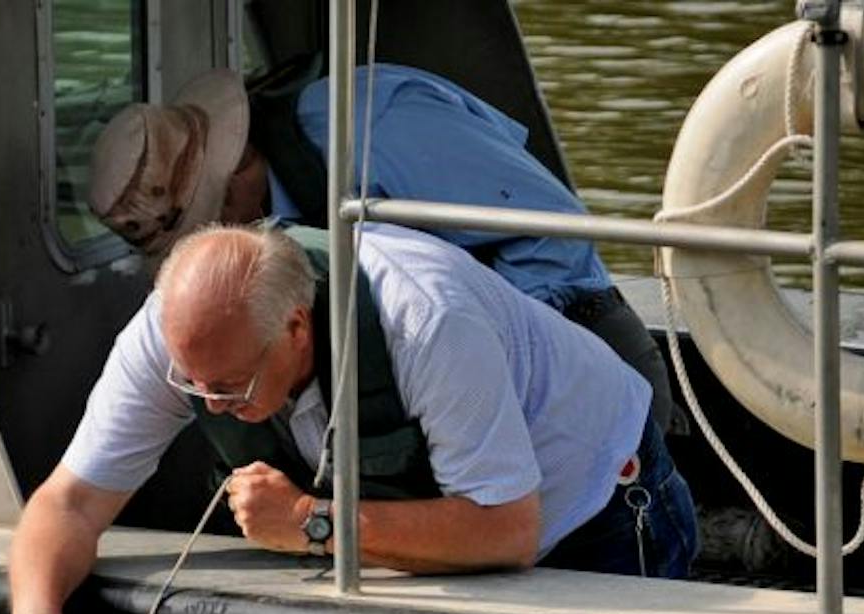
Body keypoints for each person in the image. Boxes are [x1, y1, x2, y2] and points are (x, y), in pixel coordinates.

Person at [8, 221, 698, 614]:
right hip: (441, 525)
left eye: (233, 386)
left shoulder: (424, 321)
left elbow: (508, 531)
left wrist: (312, 524)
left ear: (297, 330)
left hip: (597, 505)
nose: (214, 403)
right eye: (197, 389)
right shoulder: (176, 338)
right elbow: (68, 503)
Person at [86, 60, 675, 436]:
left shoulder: (373, 123)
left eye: (206, 225)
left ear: (233, 171)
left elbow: (554, 227)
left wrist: (482, 355)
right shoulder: (264, 231)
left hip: (581, 359)